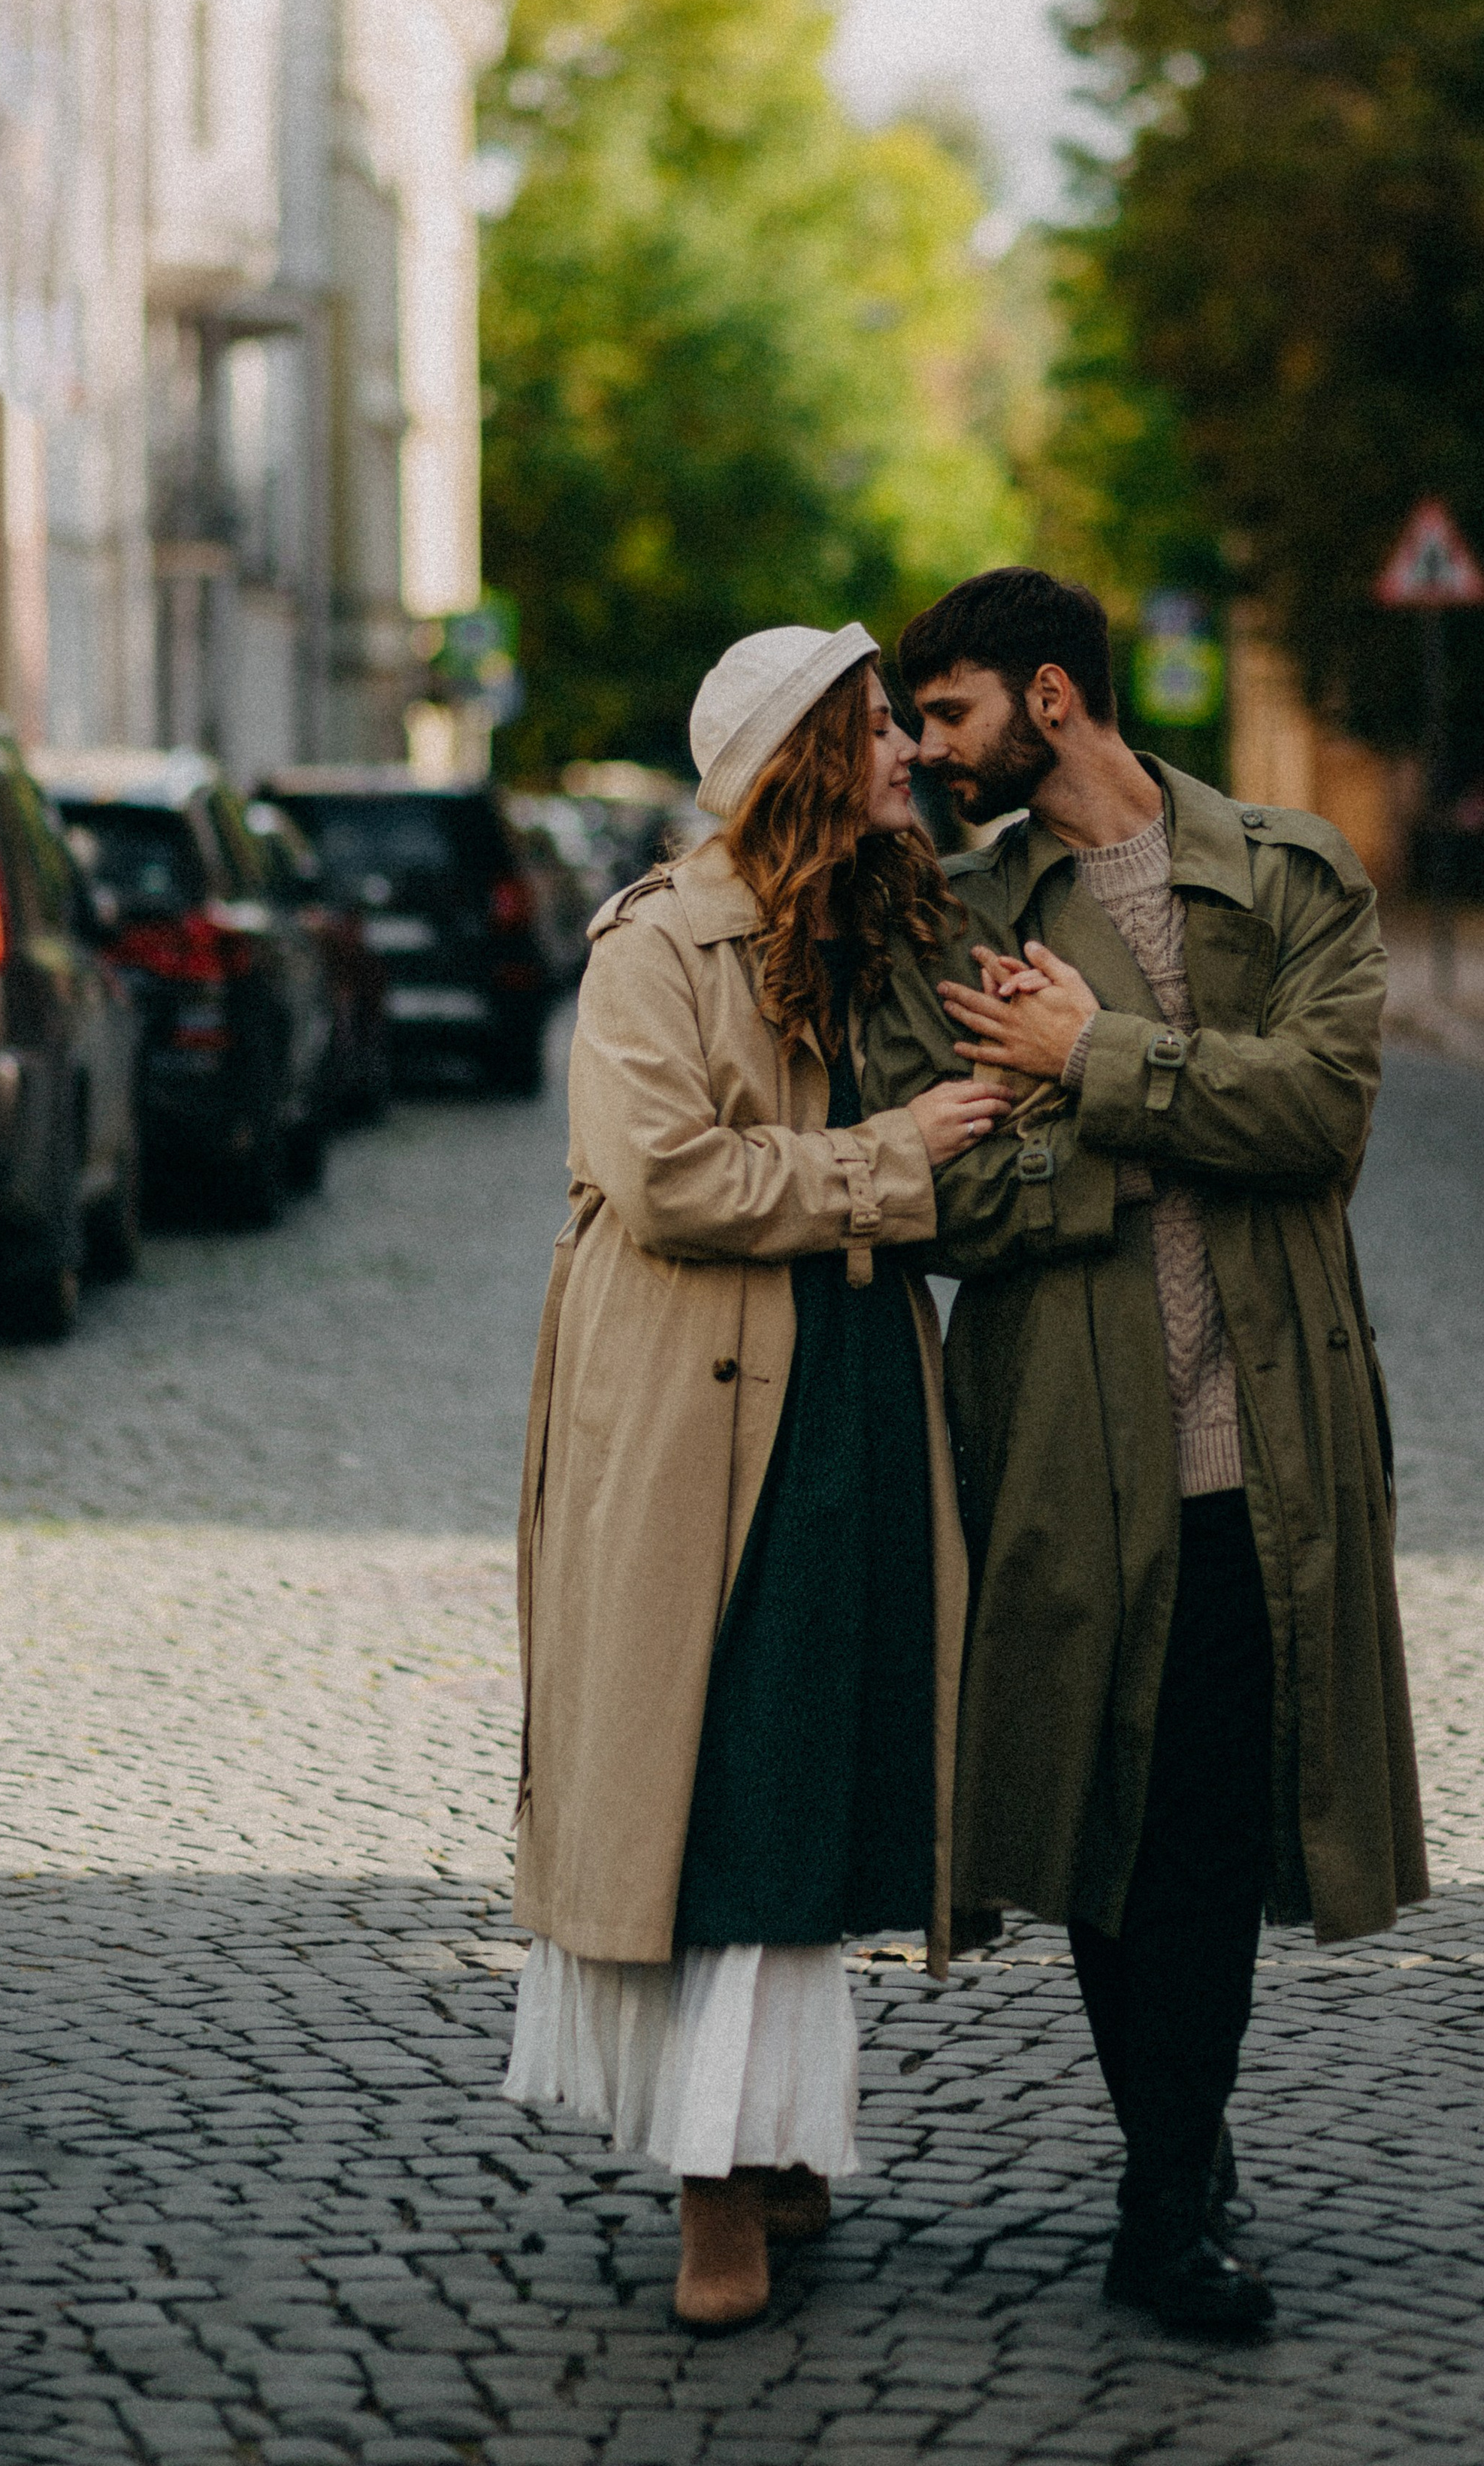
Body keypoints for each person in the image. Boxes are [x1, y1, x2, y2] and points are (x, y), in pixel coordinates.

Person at [861, 568, 1428, 2337]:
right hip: (1062, 1436)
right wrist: (1125, 1130)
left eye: (943, 714)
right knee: (1106, 1824)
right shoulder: (955, 922)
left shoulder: (1289, 872)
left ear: (1048, 696)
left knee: (1204, 1828)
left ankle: (1168, 2180)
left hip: (1265, 1436)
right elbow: (936, 1189)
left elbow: (1316, 1115)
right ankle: (1172, 2173)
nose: (925, 751)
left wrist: (1088, 1058)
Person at [504, 622, 1007, 2334]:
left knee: (828, 1775)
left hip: (847, 1377)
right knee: (721, 1797)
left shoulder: (865, 926)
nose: (904, 754)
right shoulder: (651, 951)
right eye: (873, 730)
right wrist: (889, 1162)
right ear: (796, 755)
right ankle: (710, 2196)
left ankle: (779, 2142)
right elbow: (663, 1177)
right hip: (698, 1413)